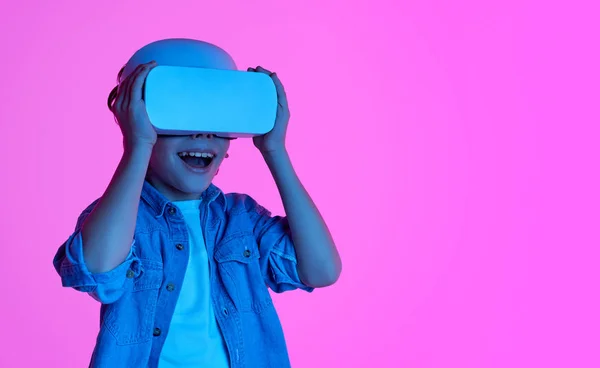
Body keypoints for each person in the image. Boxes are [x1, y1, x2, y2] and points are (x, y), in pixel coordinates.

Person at [52, 39, 342, 368]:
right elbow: (100, 272)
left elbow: (322, 271)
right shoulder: (118, 219)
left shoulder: (241, 218)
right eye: (179, 112)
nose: (203, 134)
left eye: (217, 118)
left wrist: (275, 150)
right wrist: (138, 146)